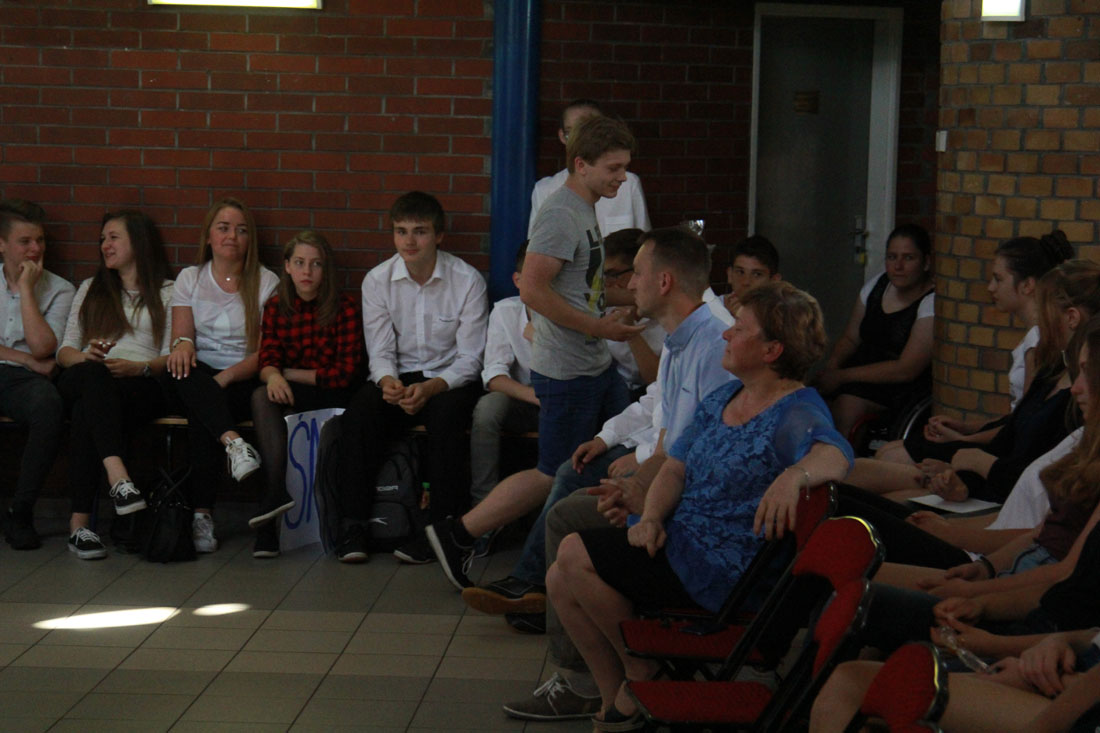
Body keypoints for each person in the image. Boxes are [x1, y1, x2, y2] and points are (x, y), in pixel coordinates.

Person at [547, 281, 854, 729]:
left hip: (725, 572)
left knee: (574, 553)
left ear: (771, 350)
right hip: (683, 542)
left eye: (740, 329)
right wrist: (651, 517)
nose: (726, 333)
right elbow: (675, 467)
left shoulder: (795, 411)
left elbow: (836, 454)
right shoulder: (726, 398)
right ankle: (615, 702)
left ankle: (641, 671)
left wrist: (795, 476)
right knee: (559, 579)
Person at [432, 227, 732, 610]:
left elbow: (692, 445)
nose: (627, 285)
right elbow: (659, 406)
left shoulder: (715, 341)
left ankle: (533, 586)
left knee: (564, 487)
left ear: (664, 282)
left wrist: (640, 466)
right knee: (570, 467)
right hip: (650, 450)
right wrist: (607, 439)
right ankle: (533, 586)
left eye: (634, 274)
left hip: (685, 489)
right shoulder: (682, 334)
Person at [423, 116, 642, 582]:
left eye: (624, 167)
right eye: (614, 168)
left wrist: (641, 299)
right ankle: (462, 533)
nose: (622, 178)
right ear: (581, 164)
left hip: (593, 364)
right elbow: (533, 291)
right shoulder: (561, 214)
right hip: (568, 370)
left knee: (622, 450)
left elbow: (583, 288)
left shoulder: (585, 208)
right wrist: (599, 327)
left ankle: (588, 556)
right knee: (555, 473)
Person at [843, 260, 1098, 504]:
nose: (1039, 322)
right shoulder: (1051, 372)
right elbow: (1009, 435)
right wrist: (960, 466)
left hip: (1002, 498)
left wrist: (972, 464)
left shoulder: (1080, 400)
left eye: (1044, 312)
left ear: (1072, 318)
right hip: (985, 482)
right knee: (858, 473)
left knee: (891, 499)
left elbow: (1038, 482)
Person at [332, 191, 487, 564]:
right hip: (400, 377)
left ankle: (439, 531)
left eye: (420, 231)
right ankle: (354, 526)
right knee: (359, 415)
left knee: (447, 420)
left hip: (449, 378)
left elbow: (471, 359)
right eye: (401, 231)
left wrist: (432, 387)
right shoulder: (377, 280)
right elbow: (380, 352)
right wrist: (388, 383)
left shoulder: (467, 280)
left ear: (439, 235)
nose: (409, 241)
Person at [876, 231, 1072, 465]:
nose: (990, 287)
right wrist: (965, 427)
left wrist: (964, 439)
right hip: (1004, 437)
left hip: (1009, 454)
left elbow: (1026, 425)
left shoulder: (1038, 342)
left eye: (998, 279)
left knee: (891, 456)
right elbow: (1016, 417)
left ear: (1027, 285)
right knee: (889, 450)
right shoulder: (1034, 336)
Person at [55, 211, 173, 559]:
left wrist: (140, 367)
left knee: (87, 411)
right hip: (85, 373)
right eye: (102, 239)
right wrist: (87, 357)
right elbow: (64, 351)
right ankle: (119, 478)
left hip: (139, 381)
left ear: (138, 241)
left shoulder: (168, 291)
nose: (105, 245)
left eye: (113, 237)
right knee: (94, 378)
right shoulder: (91, 288)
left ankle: (80, 526)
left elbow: (171, 354)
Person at [165, 197, 278, 553]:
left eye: (241, 230)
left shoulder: (266, 281)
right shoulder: (190, 278)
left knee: (204, 408)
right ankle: (235, 445)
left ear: (250, 239)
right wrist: (183, 345)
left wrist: (223, 379)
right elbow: (182, 339)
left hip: (242, 377)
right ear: (209, 236)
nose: (232, 236)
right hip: (198, 374)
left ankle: (202, 516)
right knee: (184, 376)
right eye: (224, 228)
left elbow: (265, 353)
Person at [248, 230, 363, 559]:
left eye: (316, 264)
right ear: (287, 266)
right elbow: (267, 359)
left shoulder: (345, 308)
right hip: (296, 393)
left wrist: (285, 374)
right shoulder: (276, 307)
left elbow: (343, 374)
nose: (307, 271)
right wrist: (273, 376)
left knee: (276, 397)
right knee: (261, 397)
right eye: (299, 263)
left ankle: (275, 505)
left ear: (326, 270)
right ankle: (274, 501)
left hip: (335, 396)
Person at [809, 631, 1100, 733]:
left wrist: (1051, 680)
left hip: (1080, 705)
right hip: (1072, 677)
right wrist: (1054, 643)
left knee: (855, 686)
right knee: (857, 682)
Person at [0, 199, 74, 550]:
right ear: (2, 244)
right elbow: (36, 359)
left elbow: (44, 347)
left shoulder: (60, 289)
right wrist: (26, 359)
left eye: (40, 240)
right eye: (25, 241)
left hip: (24, 383)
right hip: (24, 368)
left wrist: (27, 289)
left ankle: (21, 511)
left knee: (49, 406)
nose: (35, 249)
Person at [816, 223, 935, 436]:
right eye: (892, 257)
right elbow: (851, 338)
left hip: (897, 388)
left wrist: (842, 377)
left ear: (926, 262)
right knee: (810, 398)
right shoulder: (876, 286)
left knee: (847, 407)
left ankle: (840, 456)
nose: (898, 266)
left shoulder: (931, 302)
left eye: (908, 258)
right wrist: (832, 367)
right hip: (855, 375)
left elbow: (906, 369)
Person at [468, 242, 539, 513]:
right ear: (517, 281)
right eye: (534, 278)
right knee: (488, 407)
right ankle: (483, 505)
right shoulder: (506, 311)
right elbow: (494, 376)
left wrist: (543, 341)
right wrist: (535, 397)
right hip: (526, 399)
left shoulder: (575, 314)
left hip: (565, 403)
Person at [527, 99, 650, 237]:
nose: (581, 140)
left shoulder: (629, 183)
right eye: (572, 133)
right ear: (562, 136)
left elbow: (644, 242)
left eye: (592, 133)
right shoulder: (545, 190)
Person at [603, 228, 664, 397]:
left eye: (614, 274)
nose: (607, 283)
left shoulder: (666, 312)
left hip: (650, 396)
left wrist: (631, 332)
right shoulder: (605, 307)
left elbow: (657, 380)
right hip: (613, 391)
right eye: (603, 275)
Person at [724, 234, 781, 316]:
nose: (746, 282)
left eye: (757, 274)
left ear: (774, 281)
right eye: (740, 272)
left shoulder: (786, 316)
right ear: (730, 275)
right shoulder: (711, 311)